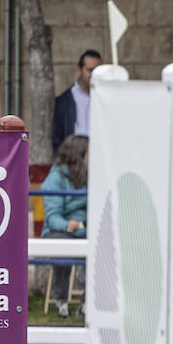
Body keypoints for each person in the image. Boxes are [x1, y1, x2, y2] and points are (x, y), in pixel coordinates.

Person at [41, 134, 88, 318]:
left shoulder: (91, 176)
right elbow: (52, 217)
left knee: (99, 247)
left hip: (85, 229)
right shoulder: (55, 179)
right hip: (59, 230)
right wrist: (67, 224)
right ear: (79, 154)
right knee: (64, 249)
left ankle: (87, 302)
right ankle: (61, 301)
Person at [52, 49, 102, 153]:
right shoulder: (63, 101)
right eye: (90, 70)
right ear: (79, 69)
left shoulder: (104, 97)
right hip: (73, 158)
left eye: (97, 71)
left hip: (99, 155)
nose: (94, 75)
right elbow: (57, 137)